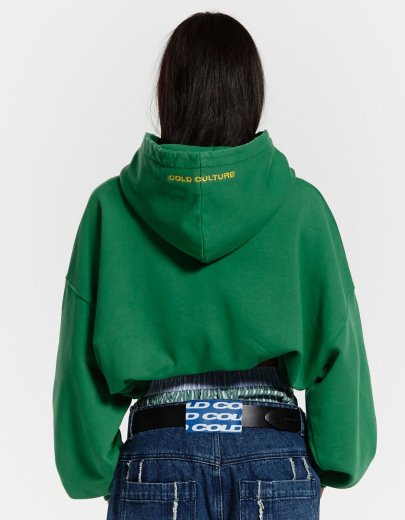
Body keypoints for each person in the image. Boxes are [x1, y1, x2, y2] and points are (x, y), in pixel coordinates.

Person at [52, 11, 377, 519]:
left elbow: (81, 370)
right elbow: (338, 351)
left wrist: (94, 471)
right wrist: (337, 460)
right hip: (273, 456)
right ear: (251, 93)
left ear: (169, 93)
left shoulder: (110, 210)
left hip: (158, 457)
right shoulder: (301, 209)